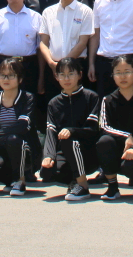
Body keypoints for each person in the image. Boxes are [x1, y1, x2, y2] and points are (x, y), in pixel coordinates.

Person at [96, 55, 133, 200]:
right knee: (104, 142)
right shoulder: (107, 100)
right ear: (113, 76)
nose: (123, 76)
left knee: (132, 166)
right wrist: (126, 136)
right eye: (118, 72)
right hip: (118, 151)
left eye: (127, 72)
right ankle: (112, 187)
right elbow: (104, 127)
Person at [41, 57, 101, 201]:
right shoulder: (53, 103)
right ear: (56, 77)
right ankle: (74, 180)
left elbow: (93, 129)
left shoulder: (91, 97)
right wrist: (49, 155)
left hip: (89, 152)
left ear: (80, 75)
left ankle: (83, 186)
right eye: (62, 74)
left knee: (68, 139)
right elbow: (51, 132)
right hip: (66, 153)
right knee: (47, 172)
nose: (66, 79)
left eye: (71, 74)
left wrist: (72, 131)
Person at [0, 56, 40, 195]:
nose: (6, 79)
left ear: (20, 79)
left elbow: (22, 126)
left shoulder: (28, 98)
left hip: (26, 148)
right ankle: (10, 180)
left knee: (13, 139)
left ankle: (20, 180)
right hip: (1, 147)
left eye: (11, 75)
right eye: (2, 75)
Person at [38, 0, 94, 105]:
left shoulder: (85, 11)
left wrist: (64, 66)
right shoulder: (48, 12)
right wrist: (52, 64)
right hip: (52, 68)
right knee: (54, 106)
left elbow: (82, 43)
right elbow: (43, 43)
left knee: (78, 106)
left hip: (76, 66)